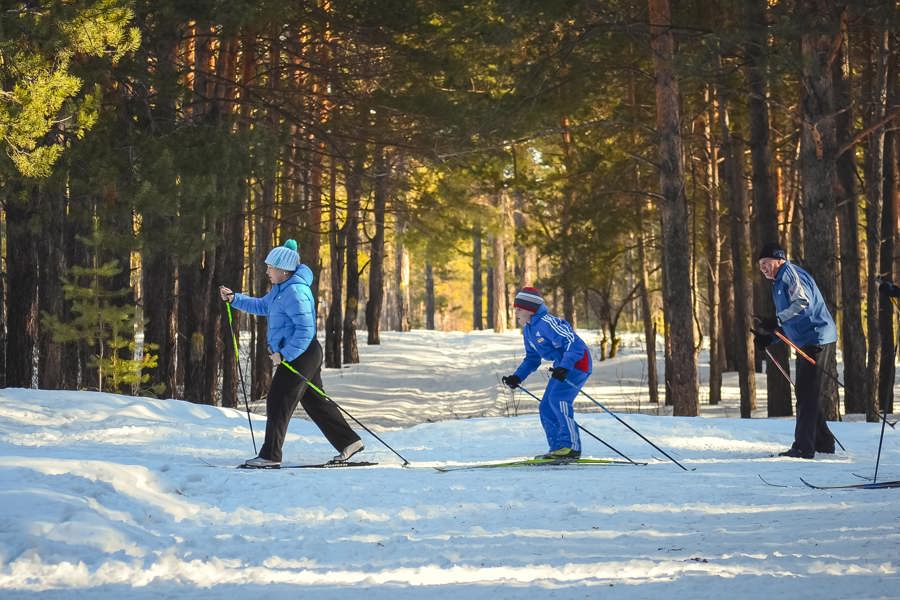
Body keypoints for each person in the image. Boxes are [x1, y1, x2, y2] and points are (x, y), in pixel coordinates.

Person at [219, 239, 363, 468]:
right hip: (302, 353)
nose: (267, 271)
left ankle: (270, 455)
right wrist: (235, 299)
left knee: (278, 399)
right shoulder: (280, 290)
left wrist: (285, 354)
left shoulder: (296, 292)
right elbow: (262, 306)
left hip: (301, 353)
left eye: (270, 267)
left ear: (283, 271)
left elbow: (306, 330)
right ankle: (349, 442)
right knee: (315, 402)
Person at [754, 242, 837, 459]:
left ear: (779, 259)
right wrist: (769, 338)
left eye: (766, 263)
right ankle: (823, 442)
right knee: (805, 392)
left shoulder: (789, 274)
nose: (762, 268)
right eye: (760, 264)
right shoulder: (778, 282)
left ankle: (803, 447)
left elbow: (802, 303)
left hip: (816, 337)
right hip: (805, 340)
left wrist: (776, 319)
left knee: (806, 393)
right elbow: (789, 320)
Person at [502, 287, 592, 459]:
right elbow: (532, 358)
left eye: (519, 308)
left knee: (558, 399)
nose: (516, 312)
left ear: (530, 309)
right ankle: (558, 448)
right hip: (562, 365)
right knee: (545, 406)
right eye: (515, 308)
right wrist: (517, 377)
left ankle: (571, 447)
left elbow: (573, 342)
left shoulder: (546, 322)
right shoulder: (528, 330)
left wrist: (565, 366)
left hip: (578, 363)